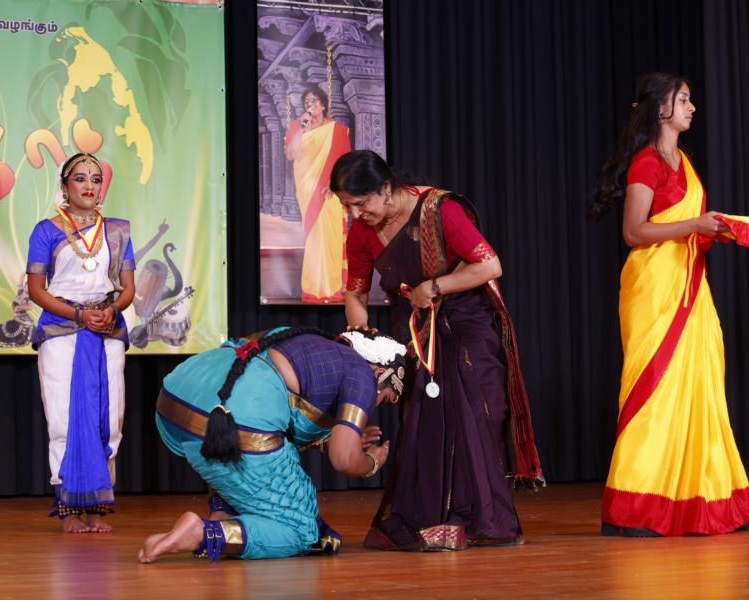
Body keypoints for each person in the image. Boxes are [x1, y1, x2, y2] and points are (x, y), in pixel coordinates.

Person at [330, 150, 543, 551]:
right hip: (414, 331)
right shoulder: (361, 232)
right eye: (347, 206)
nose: (356, 214)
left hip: (465, 324)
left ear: (386, 188)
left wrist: (435, 286)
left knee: (474, 416)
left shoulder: (438, 211)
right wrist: (363, 338)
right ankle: (432, 522)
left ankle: (485, 522)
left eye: (361, 203)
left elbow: (490, 266)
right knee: (424, 424)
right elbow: (355, 292)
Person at [588, 72, 749, 536]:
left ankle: (710, 498)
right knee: (656, 388)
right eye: (683, 100)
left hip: (690, 283)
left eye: (689, 100)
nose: (692, 107)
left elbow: (687, 228)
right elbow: (634, 232)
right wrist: (694, 226)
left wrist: (716, 230)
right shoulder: (647, 163)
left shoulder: (683, 161)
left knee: (703, 385)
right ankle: (638, 504)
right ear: (660, 108)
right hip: (654, 288)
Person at [138, 326, 405, 562]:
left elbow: (281, 405)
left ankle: (224, 513)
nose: (376, 404)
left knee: (256, 465)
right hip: (239, 421)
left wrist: (330, 439)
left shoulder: (305, 337)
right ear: (380, 372)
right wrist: (372, 461)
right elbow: (344, 459)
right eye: (385, 397)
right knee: (302, 529)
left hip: (179, 399)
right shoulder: (363, 375)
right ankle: (203, 534)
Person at [26, 153, 135, 533]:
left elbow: (128, 288)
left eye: (95, 179)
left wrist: (110, 310)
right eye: (80, 178)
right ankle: (69, 508)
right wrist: (78, 315)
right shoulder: (46, 231)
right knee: (63, 418)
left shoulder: (117, 230)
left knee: (109, 419)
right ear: (64, 185)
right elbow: (36, 290)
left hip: (106, 329)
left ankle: (97, 508)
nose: (89, 185)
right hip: (61, 330)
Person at [283, 86, 352, 303]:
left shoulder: (337, 130)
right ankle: (314, 287)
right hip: (307, 187)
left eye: (314, 101)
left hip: (329, 189)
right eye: (306, 102)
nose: (309, 105)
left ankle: (332, 287)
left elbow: (345, 162)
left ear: (323, 104)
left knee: (330, 234)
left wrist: (335, 183)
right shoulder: (297, 126)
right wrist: (302, 128)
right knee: (314, 235)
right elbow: (291, 154)